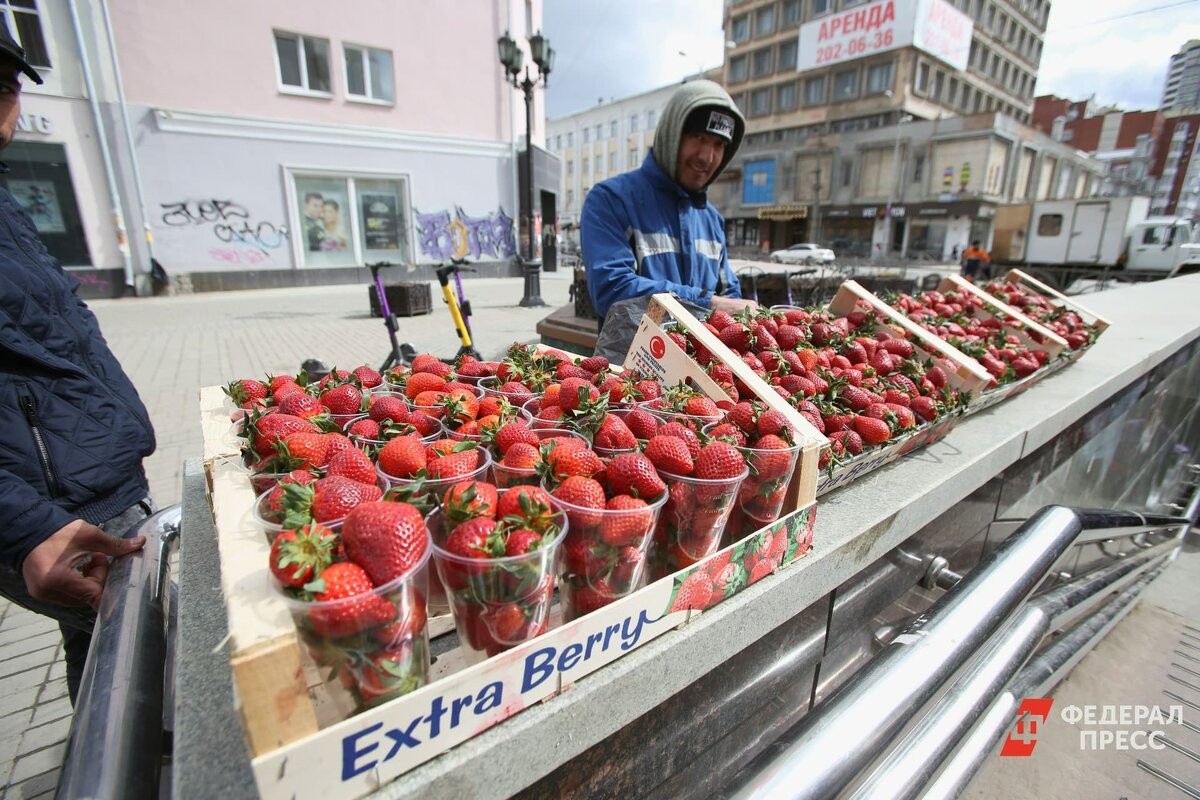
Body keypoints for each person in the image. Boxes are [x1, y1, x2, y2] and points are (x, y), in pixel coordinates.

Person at [0, 30, 154, 704]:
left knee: (105, 663)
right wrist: (22, 525)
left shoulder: (4, 201)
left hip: (90, 482)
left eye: (7, 81)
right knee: (154, 662)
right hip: (52, 510)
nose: (4, 101)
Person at [582, 80, 756, 325]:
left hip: (701, 352)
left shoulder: (712, 219)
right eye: (698, 137)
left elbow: (729, 295)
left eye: (719, 145)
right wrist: (705, 303)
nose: (707, 157)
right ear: (671, 134)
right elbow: (612, 291)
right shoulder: (611, 199)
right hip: (631, 351)